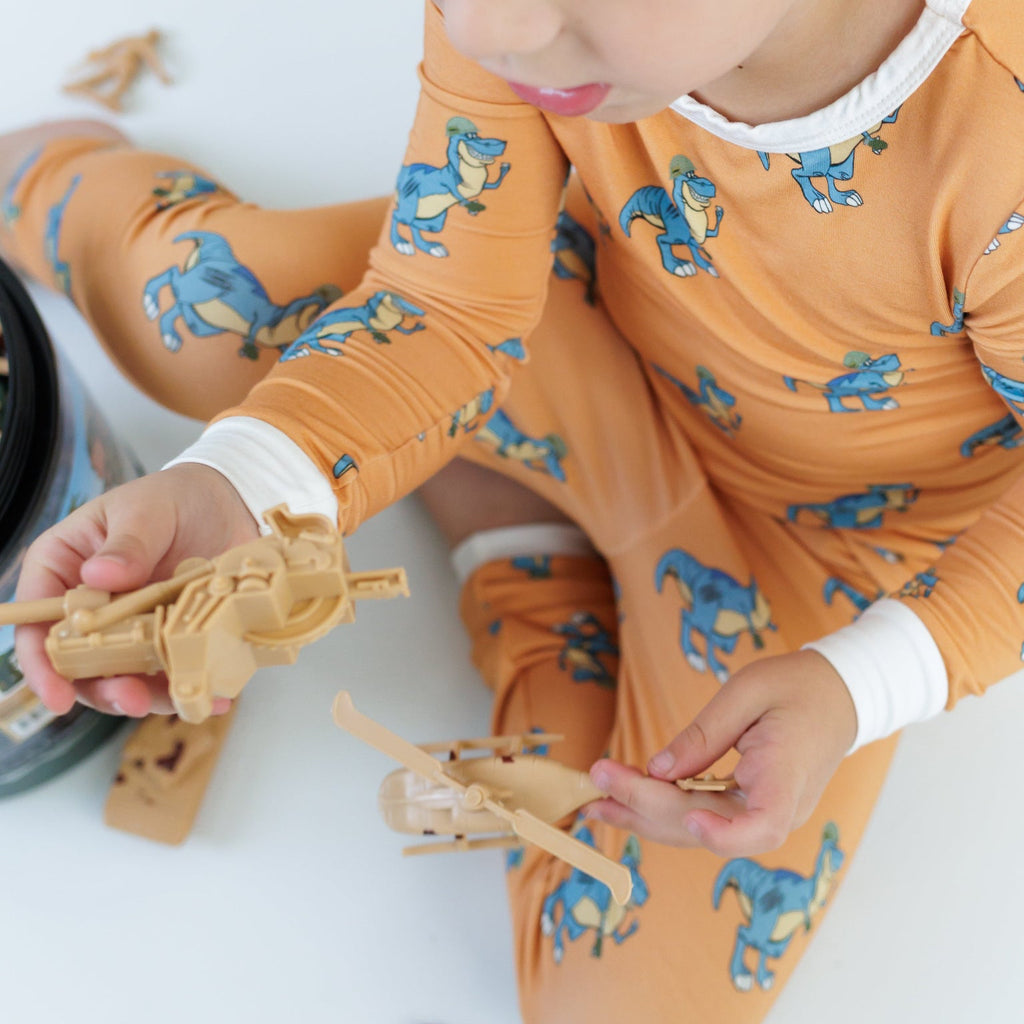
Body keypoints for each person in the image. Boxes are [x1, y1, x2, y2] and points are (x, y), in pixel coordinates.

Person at [3, 0, 1024, 1019]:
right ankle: (52, 184)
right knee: (179, 310)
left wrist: (859, 681)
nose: (491, 31)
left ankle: (524, 557)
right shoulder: (515, 20)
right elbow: (445, 306)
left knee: (613, 1007)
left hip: (828, 554)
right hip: (574, 330)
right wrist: (239, 482)